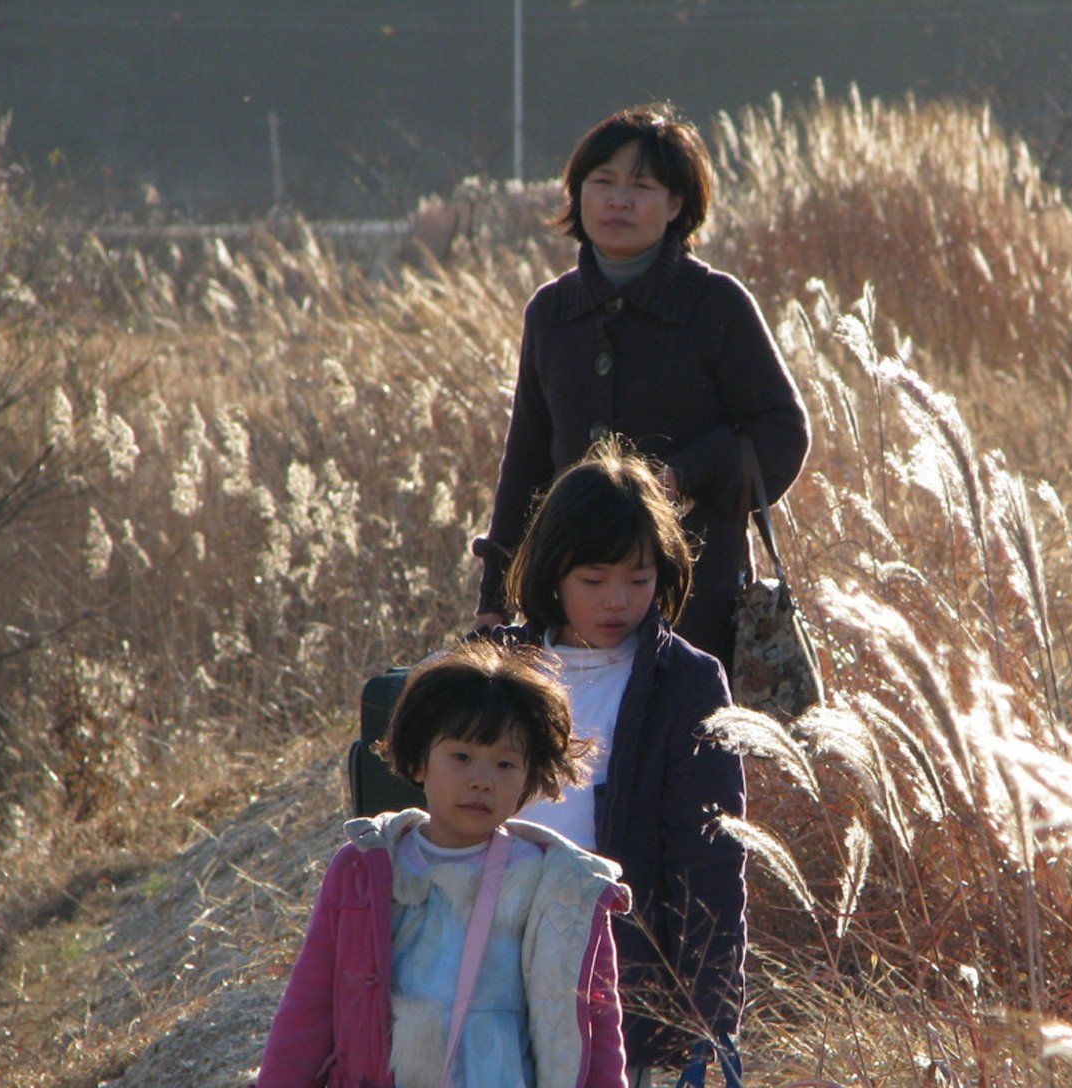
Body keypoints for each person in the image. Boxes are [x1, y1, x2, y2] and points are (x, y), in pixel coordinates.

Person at [474, 102, 811, 669]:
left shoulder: (716, 304)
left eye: (642, 186)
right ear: (577, 196)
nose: (618, 200)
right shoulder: (552, 312)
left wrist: (684, 476)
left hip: (694, 599)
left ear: (676, 203)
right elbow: (527, 461)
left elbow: (783, 431)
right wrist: (493, 601)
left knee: (684, 745)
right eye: (601, 182)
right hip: (569, 600)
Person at [255, 643, 630, 1088]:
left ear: (530, 778)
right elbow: (310, 1005)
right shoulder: (367, 869)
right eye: (462, 757)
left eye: (506, 763)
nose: (481, 779)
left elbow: (595, 1024)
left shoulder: (563, 885)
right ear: (418, 761)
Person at [489, 441, 746, 1081]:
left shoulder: (685, 683)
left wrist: (711, 1015)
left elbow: (710, 857)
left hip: (614, 982)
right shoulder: (493, 669)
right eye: (594, 580)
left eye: (638, 580)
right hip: (488, 963)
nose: (617, 601)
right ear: (553, 572)